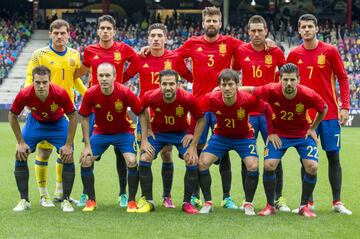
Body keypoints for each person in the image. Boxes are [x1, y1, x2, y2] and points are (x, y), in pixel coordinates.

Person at [174, 6, 245, 209]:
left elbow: (249, 50)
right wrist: (189, 77)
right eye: (208, 20)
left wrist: (267, 42)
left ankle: (227, 197)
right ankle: (195, 195)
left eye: (215, 20)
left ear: (220, 23)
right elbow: (174, 58)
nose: (211, 24)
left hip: (223, 106)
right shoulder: (192, 43)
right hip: (199, 106)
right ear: (203, 23)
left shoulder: (230, 42)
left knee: (225, 151)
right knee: (195, 149)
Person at [241, 63, 328, 217]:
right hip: (279, 134)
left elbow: (324, 108)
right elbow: (250, 89)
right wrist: (225, 90)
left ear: (298, 80)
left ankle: (304, 206)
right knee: (269, 165)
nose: (289, 83)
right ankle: (270, 205)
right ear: (280, 79)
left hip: (302, 134)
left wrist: (313, 128)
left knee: (312, 167)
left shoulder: (308, 94)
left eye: (292, 80)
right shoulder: (271, 89)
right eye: (285, 79)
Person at [287, 14, 352, 215]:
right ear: (298, 30)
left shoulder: (330, 51)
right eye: (303, 27)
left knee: (333, 157)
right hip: (304, 117)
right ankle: (308, 202)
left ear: (317, 28)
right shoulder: (294, 54)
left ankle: (337, 202)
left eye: (310, 26)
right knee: (306, 160)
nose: (306, 30)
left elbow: (342, 77)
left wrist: (345, 107)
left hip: (330, 114)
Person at [123, 23, 193, 208]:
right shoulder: (139, 58)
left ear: (166, 38)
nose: (155, 39)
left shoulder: (175, 58)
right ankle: (144, 197)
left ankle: (167, 196)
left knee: (167, 154)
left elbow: (194, 78)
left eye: (159, 35)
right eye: (152, 35)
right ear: (147, 38)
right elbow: (122, 78)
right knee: (145, 154)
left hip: (171, 117)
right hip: (146, 117)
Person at [74, 15, 136, 207]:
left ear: (114, 31)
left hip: (117, 103)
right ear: (98, 31)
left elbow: (137, 62)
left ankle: (123, 193)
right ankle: (87, 194)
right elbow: (81, 72)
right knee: (88, 152)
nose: (106, 31)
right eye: (102, 28)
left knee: (121, 153)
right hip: (95, 107)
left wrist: (123, 79)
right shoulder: (90, 50)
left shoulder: (123, 48)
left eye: (109, 28)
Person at [24, 19, 86, 207]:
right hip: (43, 111)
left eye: (63, 33)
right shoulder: (39, 55)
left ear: (69, 34)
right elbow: (30, 78)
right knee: (43, 152)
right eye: (56, 33)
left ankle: (60, 192)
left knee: (65, 152)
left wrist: (88, 94)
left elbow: (74, 80)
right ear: (50, 34)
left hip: (65, 112)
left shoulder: (75, 54)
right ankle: (44, 195)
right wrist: (28, 100)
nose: (60, 36)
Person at [197, 69, 273, 216]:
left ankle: (248, 204)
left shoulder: (248, 99)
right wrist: (190, 135)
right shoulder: (211, 98)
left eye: (230, 84)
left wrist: (271, 132)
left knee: (253, 165)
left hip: (244, 137)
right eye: (223, 85)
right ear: (219, 86)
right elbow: (197, 113)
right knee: (202, 163)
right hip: (220, 136)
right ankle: (208, 203)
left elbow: (267, 108)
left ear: (237, 85)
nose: (227, 88)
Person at [233, 15, 289, 212]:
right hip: (247, 111)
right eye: (253, 31)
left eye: (260, 30)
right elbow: (233, 75)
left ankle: (278, 199)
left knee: (275, 154)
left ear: (266, 31)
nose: (256, 34)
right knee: (246, 155)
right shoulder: (240, 50)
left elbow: (288, 77)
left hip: (270, 112)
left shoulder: (275, 51)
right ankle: (247, 199)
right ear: (248, 32)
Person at [78, 62, 145, 212]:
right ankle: (91, 201)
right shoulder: (90, 93)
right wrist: (87, 146)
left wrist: (145, 139)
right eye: (101, 75)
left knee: (132, 161)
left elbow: (141, 112)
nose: (104, 78)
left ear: (115, 77)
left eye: (108, 75)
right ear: (97, 77)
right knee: (85, 160)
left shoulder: (125, 92)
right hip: (100, 133)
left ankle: (132, 201)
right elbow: (84, 118)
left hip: (123, 133)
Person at [9, 66, 77, 212]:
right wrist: (20, 142)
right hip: (36, 123)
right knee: (20, 154)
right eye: (38, 82)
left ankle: (65, 200)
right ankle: (24, 200)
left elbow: (73, 117)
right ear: (32, 81)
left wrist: (69, 144)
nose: (41, 86)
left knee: (68, 155)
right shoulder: (25, 94)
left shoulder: (60, 93)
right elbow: (12, 115)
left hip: (57, 123)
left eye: (44, 82)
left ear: (49, 81)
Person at [138, 69, 205, 214]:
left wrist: (192, 141)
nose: (168, 87)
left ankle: (187, 203)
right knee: (144, 157)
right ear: (159, 84)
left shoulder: (187, 98)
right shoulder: (150, 96)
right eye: (164, 84)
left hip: (180, 134)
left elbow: (201, 119)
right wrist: (145, 135)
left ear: (178, 84)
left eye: (171, 84)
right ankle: (148, 201)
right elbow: (141, 110)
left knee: (192, 160)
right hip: (158, 133)